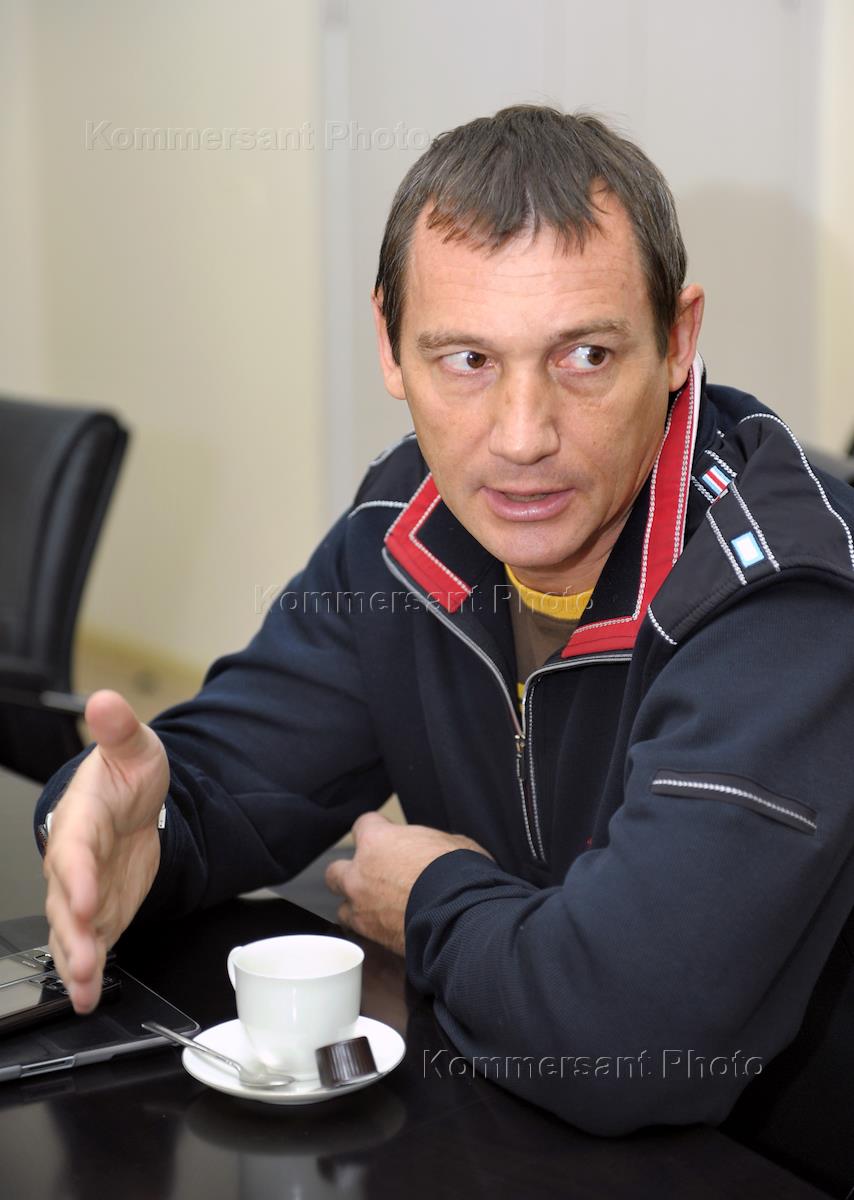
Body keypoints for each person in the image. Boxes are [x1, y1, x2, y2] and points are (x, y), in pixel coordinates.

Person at [36, 106, 854, 1144]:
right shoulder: (408, 525)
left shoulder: (783, 592)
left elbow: (625, 1038)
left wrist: (427, 895)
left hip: (763, 1159)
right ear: (390, 345)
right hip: (514, 1121)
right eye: (467, 359)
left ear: (677, 340)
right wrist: (129, 826)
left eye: (585, 355)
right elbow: (227, 784)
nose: (521, 438)